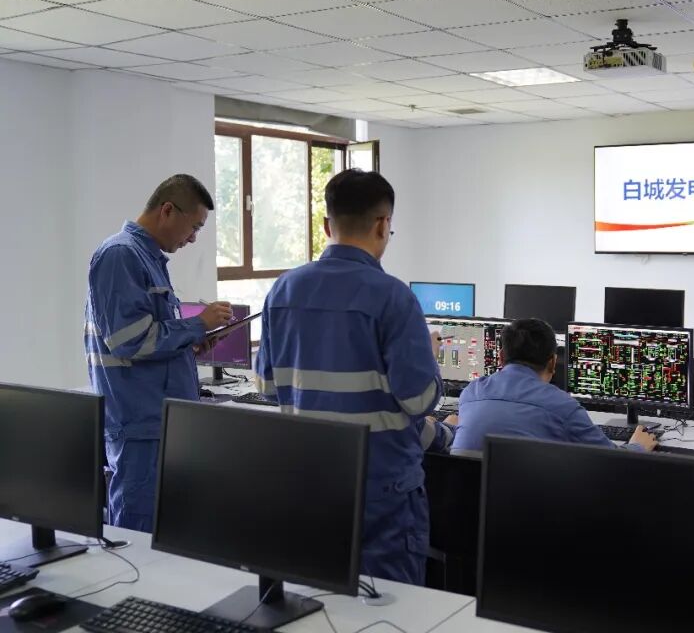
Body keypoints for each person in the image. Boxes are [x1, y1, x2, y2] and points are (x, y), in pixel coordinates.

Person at [254, 170, 452, 586]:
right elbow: (419, 400)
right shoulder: (393, 297)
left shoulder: (283, 290)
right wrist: (430, 358)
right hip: (382, 491)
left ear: (327, 226)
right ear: (382, 224)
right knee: (390, 604)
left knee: (319, 598)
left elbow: (268, 388)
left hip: (310, 483)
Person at [85, 174, 233, 532]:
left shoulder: (147, 259)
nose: (193, 238)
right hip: (140, 425)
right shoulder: (120, 254)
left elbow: (149, 338)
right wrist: (197, 324)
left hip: (159, 422)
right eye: (194, 227)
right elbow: (128, 340)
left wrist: (192, 344)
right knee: (138, 536)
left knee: (167, 533)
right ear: (168, 210)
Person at [450, 318, 658, 453]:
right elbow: (608, 460)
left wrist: (449, 426)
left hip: (470, 503)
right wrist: (638, 447)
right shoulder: (561, 405)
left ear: (501, 357)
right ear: (552, 362)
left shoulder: (470, 393)